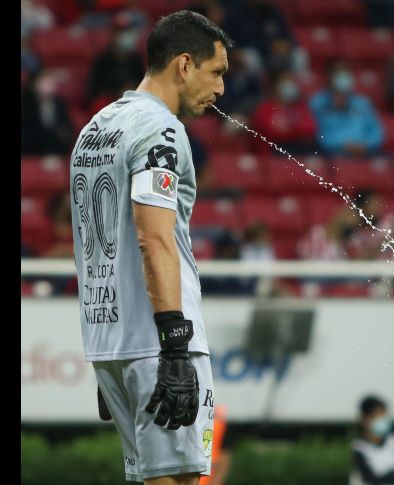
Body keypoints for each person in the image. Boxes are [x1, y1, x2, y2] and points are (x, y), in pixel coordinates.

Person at [69, 10, 232, 484]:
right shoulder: (162, 130)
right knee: (180, 481)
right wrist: (174, 347)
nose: (220, 89)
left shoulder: (97, 128)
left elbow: (91, 244)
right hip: (158, 341)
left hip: (111, 340)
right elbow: (153, 237)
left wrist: (114, 355)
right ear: (184, 64)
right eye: (216, 72)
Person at [310, 58, 384, 157]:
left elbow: (376, 132)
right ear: (329, 76)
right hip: (332, 155)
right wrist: (343, 145)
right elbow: (319, 135)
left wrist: (365, 145)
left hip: (365, 153)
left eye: (346, 71)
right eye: (338, 72)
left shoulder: (363, 103)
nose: (343, 76)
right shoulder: (318, 103)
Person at [349, 395, 394, 485]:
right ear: (364, 419)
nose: (382, 420)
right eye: (377, 416)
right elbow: (371, 479)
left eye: (383, 416)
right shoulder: (359, 448)